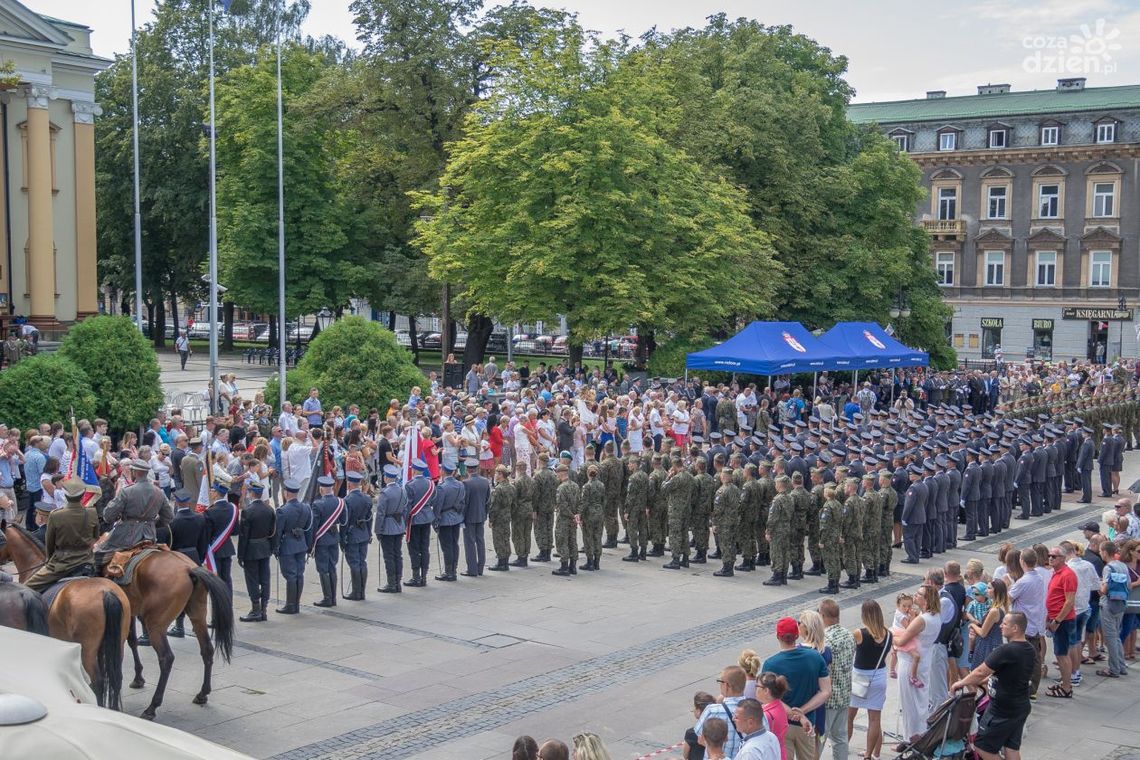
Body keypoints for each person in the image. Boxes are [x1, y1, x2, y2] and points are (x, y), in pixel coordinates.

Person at [951, 611, 1036, 760]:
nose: (1001, 626)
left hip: (1002, 709)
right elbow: (1008, 672)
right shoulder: (1029, 649)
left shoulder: (1006, 650)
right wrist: (985, 681)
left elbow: (980, 671)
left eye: (1004, 624)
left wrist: (961, 683)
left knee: (983, 747)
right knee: (1011, 748)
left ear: (1015, 628)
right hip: (1020, 706)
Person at [762, 617, 830, 759]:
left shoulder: (770, 664)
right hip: (807, 723)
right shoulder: (815, 657)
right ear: (797, 635)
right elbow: (825, 691)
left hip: (781, 723)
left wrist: (795, 715)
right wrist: (802, 713)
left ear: (778, 636)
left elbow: (769, 697)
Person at [23, 478, 99, 593]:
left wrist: (49, 561)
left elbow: (50, 543)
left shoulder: (56, 515)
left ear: (66, 496)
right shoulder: (92, 512)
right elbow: (96, 537)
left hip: (62, 563)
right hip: (87, 561)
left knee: (25, 589)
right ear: (83, 496)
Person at [96, 458, 173, 568]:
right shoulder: (159, 492)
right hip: (150, 536)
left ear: (135, 472)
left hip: (126, 537)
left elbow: (108, 516)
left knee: (98, 554)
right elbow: (169, 517)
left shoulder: (127, 491)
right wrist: (152, 523)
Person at [892, 585, 940, 744]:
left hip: (909, 661)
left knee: (909, 702)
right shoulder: (935, 616)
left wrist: (889, 635)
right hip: (924, 659)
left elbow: (902, 640)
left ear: (926, 600)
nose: (915, 596)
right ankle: (921, 734)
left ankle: (910, 738)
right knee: (920, 700)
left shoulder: (922, 619)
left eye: (919, 594)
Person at [848, 599, 892, 760]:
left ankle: (843, 746)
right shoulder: (888, 634)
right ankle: (870, 754)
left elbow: (849, 652)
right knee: (874, 719)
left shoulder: (859, 633)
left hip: (860, 676)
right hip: (878, 676)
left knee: (849, 716)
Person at [819, 598, 854, 760]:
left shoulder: (825, 640)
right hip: (845, 694)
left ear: (823, 615)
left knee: (820, 738)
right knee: (840, 737)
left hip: (829, 698)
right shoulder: (849, 635)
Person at [237, 481, 275, 622]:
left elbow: (243, 536)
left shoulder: (248, 511)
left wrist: (241, 555)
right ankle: (263, 609)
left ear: (252, 493)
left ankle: (255, 609)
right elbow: (273, 532)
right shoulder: (269, 510)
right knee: (265, 579)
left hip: (251, 550)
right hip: (264, 548)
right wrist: (271, 548)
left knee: (252, 580)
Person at [1044, 544, 1077, 697]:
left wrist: (1057, 621)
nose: (1050, 558)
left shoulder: (1067, 575)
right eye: (1049, 556)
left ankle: (1066, 687)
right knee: (1060, 653)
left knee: (1062, 654)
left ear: (1063, 558)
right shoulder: (1056, 572)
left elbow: (1069, 601)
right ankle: (1065, 684)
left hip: (1063, 620)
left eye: (1054, 556)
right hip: (1056, 618)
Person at [695, 665, 750, 758]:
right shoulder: (756, 712)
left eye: (720, 682)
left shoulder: (712, 711)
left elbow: (700, 738)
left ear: (726, 685)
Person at [275, 478, 312, 615]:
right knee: (299, 574)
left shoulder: (282, 511)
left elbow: (278, 532)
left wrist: (276, 547)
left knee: (290, 575)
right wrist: (308, 546)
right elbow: (309, 529)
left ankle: (291, 605)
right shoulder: (306, 508)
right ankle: (296, 604)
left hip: (287, 546)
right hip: (301, 545)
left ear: (286, 493)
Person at [1098, 540, 1130, 677]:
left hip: (1108, 604)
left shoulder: (1108, 568)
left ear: (1105, 552)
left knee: (1110, 637)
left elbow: (1104, 589)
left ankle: (1113, 669)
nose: (1100, 554)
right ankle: (1121, 666)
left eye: (1101, 551)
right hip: (1121, 603)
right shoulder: (1123, 565)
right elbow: (1128, 585)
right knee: (1116, 636)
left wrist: (1098, 586)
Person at [340, 471, 373, 598]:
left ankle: (356, 592)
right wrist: (369, 533)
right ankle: (362, 592)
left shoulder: (347, 501)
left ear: (349, 484)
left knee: (354, 563)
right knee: (362, 562)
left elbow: (344, 523)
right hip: (363, 533)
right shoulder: (367, 498)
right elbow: (370, 518)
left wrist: (342, 539)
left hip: (352, 535)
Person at [375, 465, 407, 592]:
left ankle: (391, 583)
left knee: (389, 556)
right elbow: (405, 509)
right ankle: (397, 582)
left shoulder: (385, 493)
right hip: (399, 526)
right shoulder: (402, 490)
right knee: (397, 555)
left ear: (386, 477)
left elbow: (380, 514)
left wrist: (378, 530)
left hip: (388, 527)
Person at [461, 458, 489, 577]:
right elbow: (488, 501)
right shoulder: (485, 481)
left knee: (470, 543)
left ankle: (472, 569)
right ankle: (480, 568)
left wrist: (462, 517)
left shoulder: (466, 483)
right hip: (481, 515)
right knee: (480, 541)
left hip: (469, 517)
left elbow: (464, 503)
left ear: (468, 469)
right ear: (477, 468)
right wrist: (485, 513)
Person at [755, 673, 790, 760]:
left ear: (766, 690)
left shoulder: (766, 715)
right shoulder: (779, 706)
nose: (755, 689)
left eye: (757, 686)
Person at [683, 691, 718, 760]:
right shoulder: (718, 731)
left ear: (699, 711)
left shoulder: (692, 732)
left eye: (694, 707)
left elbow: (685, 755)